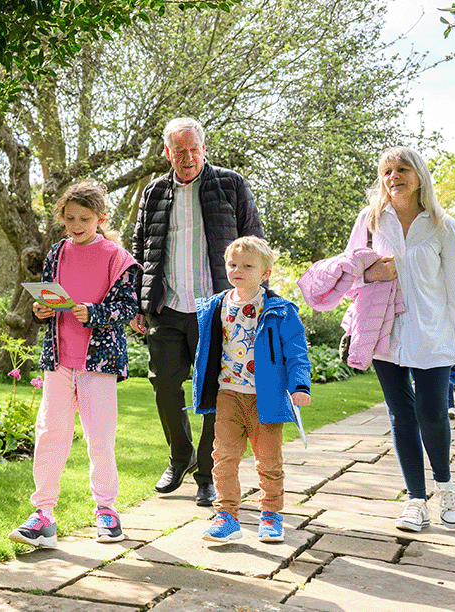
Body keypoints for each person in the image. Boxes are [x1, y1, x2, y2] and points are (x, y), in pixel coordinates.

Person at [352, 147, 455, 533]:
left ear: (419, 174)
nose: (394, 176)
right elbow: (348, 273)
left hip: (432, 330)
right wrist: (372, 275)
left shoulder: (443, 225)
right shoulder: (371, 221)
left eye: (402, 169)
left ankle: (446, 488)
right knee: (400, 415)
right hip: (384, 331)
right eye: (387, 171)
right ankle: (415, 500)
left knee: (431, 412)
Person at [129, 117, 264, 505]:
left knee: (212, 393)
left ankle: (206, 473)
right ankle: (180, 455)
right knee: (164, 386)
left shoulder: (231, 184)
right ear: (167, 153)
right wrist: (140, 301)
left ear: (203, 148)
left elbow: (253, 241)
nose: (187, 158)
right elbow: (140, 252)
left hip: (217, 308)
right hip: (167, 307)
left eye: (193, 149)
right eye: (179, 151)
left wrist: (255, 300)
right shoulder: (154, 192)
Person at [9, 181, 142, 549]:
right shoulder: (57, 252)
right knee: (50, 432)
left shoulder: (118, 257)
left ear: (101, 217)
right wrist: (41, 310)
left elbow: (127, 308)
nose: (76, 225)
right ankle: (43, 515)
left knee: (100, 437)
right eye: (69, 218)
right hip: (59, 357)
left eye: (84, 218)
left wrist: (95, 312)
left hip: (98, 361)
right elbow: (50, 297)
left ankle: (106, 511)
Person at [186, 237, 312, 544]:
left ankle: (271, 514)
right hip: (227, 394)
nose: (237, 269)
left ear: (265, 273)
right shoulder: (214, 306)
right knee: (223, 456)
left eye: (247, 265)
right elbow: (205, 349)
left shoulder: (280, 310)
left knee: (268, 460)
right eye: (232, 264)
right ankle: (226, 515)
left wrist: (299, 386)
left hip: (265, 398)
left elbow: (296, 353)